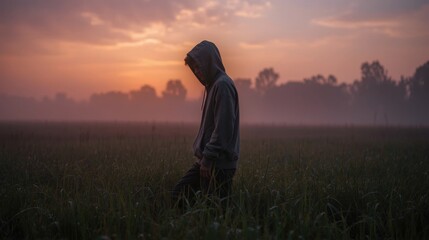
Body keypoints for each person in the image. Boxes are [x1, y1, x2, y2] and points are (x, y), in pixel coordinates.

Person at [172, 40, 240, 205]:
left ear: (209, 62)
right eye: (194, 68)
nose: (197, 71)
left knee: (214, 209)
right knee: (193, 201)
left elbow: (223, 128)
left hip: (219, 164)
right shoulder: (213, 85)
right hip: (209, 161)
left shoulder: (222, 85)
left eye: (198, 66)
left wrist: (208, 159)